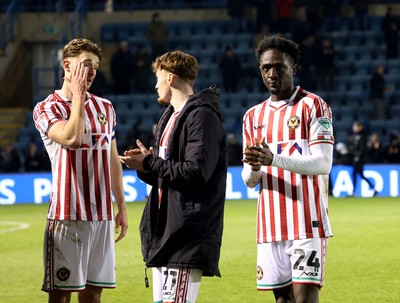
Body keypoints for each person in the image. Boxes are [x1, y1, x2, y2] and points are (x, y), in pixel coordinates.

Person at [120, 50, 227, 303]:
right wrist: (145, 166)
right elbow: (167, 176)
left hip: (186, 233)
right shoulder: (169, 116)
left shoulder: (202, 116)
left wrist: (150, 162)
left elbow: (195, 173)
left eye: (157, 78)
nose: (155, 85)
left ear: (170, 78)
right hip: (166, 231)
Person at [32, 38, 128, 303]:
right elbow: (72, 138)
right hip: (67, 215)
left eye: (95, 67)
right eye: (86, 65)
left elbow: (111, 159)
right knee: (61, 295)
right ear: (67, 65)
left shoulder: (106, 107)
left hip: (102, 216)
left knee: (93, 294)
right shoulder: (46, 107)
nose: (92, 72)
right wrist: (78, 98)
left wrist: (121, 205)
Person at [242, 34, 334, 303]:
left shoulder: (313, 106)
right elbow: (249, 179)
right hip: (270, 225)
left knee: (304, 299)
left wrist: (273, 159)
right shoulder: (253, 116)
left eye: (278, 67)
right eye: (266, 68)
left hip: (307, 222)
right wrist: (256, 166)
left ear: (292, 67)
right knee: (283, 301)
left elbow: (323, 163)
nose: (272, 73)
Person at [348, 121, 378, 197]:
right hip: (359, 159)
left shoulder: (362, 136)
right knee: (361, 175)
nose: (354, 128)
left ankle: (353, 192)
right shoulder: (358, 136)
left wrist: (357, 156)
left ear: (359, 127)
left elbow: (362, 149)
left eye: (355, 127)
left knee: (355, 174)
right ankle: (374, 189)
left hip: (359, 160)